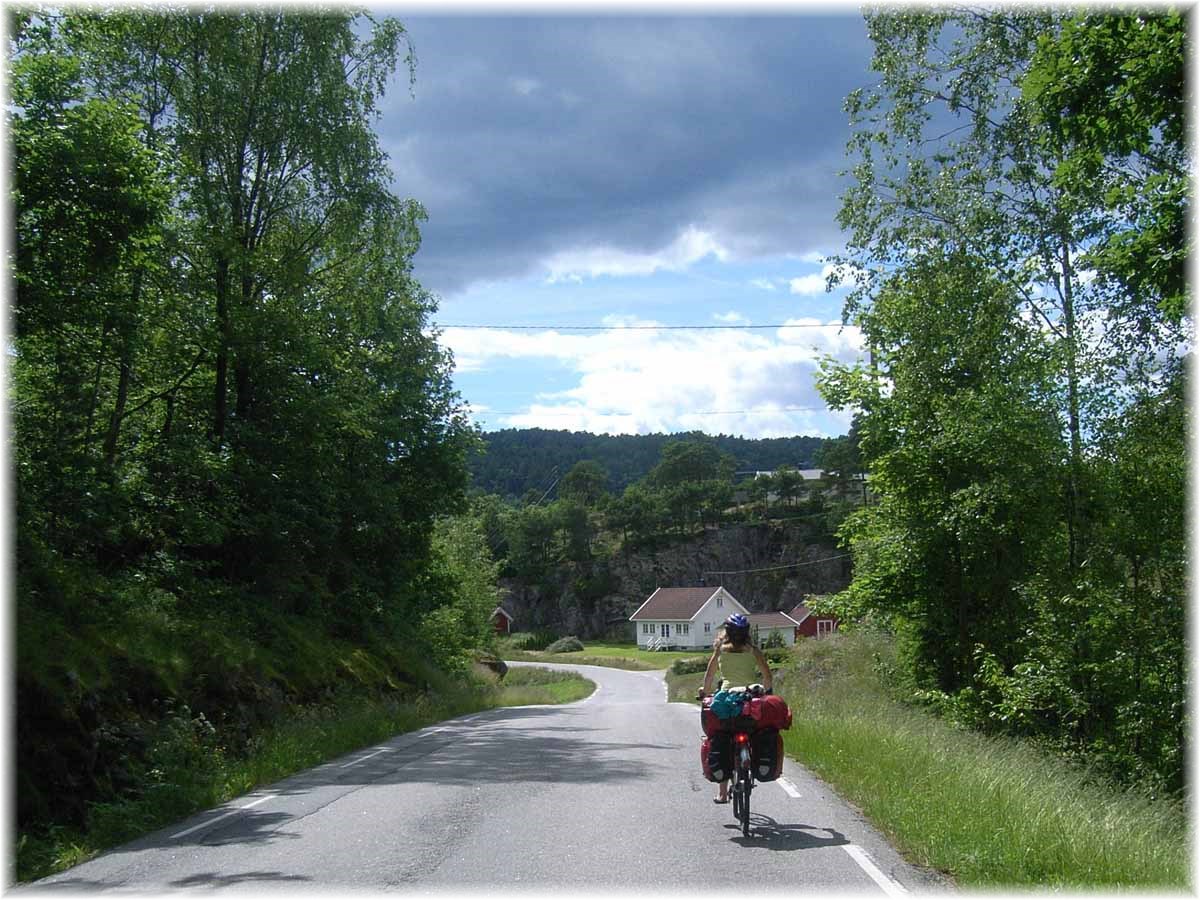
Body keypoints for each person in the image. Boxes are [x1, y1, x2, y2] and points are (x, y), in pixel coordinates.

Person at [700, 613, 773, 804]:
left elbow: (709, 676)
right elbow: (767, 676)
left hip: (726, 699)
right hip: (751, 698)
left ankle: (722, 793)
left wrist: (705, 693)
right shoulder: (754, 651)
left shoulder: (720, 650)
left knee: (720, 737)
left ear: (728, 633)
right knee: (756, 732)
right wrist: (768, 692)